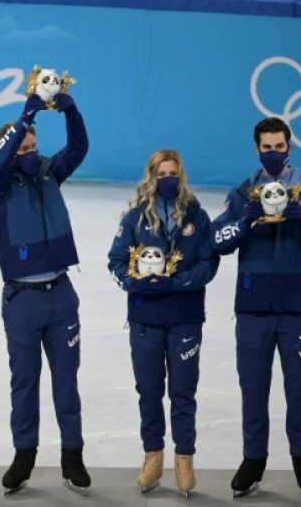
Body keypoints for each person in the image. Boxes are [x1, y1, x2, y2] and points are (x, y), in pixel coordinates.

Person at [211, 117, 301, 499]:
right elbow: (216, 239)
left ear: (290, 147)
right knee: (253, 389)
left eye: (280, 147)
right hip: (254, 311)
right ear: (256, 149)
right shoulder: (244, 193)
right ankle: (253, 459)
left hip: (298, 310)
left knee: (300, 390)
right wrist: (244, 223)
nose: (274, 153)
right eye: (267, 148)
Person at [0, 91, 91, 496]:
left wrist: (70, 111)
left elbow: (79, 146)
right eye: (21, 147)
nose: (29, 152)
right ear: (6, 150)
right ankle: (24, 454)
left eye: (32, 145)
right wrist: (25, 118)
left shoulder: (48, 171)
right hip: (22, 301)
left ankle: (72, 456)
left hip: (62, 297)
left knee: (67, 382)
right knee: (24, 382)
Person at [107, 150, 219, 496]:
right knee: (150, 390)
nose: (168, 179)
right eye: (161, 173)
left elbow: (208, 264)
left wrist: (179, 283)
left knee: (183, 392)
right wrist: (131, 282)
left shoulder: (198, 218)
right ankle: (152, 456)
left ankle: (184, 459)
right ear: (151, 177)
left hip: (185, 317)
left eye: (173, 173)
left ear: (181, 175)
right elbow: (115, 261)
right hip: (146, 317)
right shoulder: (134, 218)